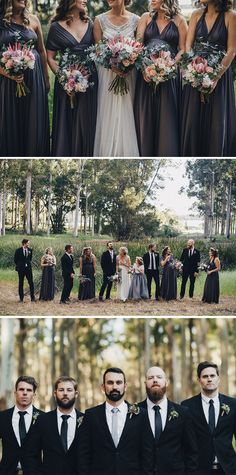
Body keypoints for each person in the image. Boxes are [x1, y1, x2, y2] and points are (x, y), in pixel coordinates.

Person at [181, 0, 236, 156]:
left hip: (219, 73)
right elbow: (188, 46)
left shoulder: (231, 16)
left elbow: (232, 51)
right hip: (195, 71)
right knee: (193, 120)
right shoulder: (196, 15)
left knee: (216, 123)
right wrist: (193, 69)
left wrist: (215, 77)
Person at [134, 0, 187, 156]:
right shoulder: (145, 17)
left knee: (167, 119)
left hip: (169, 76)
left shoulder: (180, 20)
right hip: (145, 75)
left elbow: (183, 49)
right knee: (146, 117)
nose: (152, 1)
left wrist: (169, 65)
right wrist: (145, 68)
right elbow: (138, 45)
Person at [77, 367, 153, 475]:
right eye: (110, 383)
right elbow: (84, 453)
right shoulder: (91, 415)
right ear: (103, 387)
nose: (114, 387)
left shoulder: (141, 415)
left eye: (118, 382)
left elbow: (147, 453)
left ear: (125, 386)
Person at [46, 0, 97, 156]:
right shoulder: (56, 27)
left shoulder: (91, 23)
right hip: (66, 83)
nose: (85, 1)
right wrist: (64, 78)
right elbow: (50, 57)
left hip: (90, 83)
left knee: (87, 123)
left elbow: (98, 50)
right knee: (66, 124)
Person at [0, 0, 49, 157]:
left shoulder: (34, 20)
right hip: (7, 82)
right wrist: (6, 72)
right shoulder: (1, 21)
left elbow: (41, 51)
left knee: (33, 122)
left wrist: (46, 80)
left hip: (34, 81)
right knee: (11, 123)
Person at [93, 0, 140, 157]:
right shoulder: (99, 20)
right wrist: (112, 66)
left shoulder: (137, 20)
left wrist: (128, 64)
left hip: (129, 74)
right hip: (107, 74)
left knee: (129, 111)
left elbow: (139, 50)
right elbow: (98, 51)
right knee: (107, 112)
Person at [138, 366, 198, 475]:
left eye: (159, 377)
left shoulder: (183, 413)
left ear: (166, 382)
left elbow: (191, 451)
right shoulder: (135, 413)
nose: (155, 380)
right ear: (145, 383)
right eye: (150, 377)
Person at [182, 361, 236, 474]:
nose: (209, 379)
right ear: (199, 380)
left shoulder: (232, 404)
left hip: (228, 469)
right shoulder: (187, 406)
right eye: (205, 376)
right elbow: (185, 442)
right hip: (199, 470)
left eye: (212, 375)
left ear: (218, 378)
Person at [28, 376, 84, 475]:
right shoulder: (42, 420)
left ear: (76, 394)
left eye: (69, 390)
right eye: (61, 390)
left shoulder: (86, 421)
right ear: (55, 394)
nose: (65, 393)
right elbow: (32, 454)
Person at [0, 376, 43, 475]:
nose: (25, 393)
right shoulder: (2, 417)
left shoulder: (43, 418)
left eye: (29, 390)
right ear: (15, 393)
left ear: (34, 394)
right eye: (21, 389)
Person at [14, 238, 35, 303]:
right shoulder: (18, 250)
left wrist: (27, 264)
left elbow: (30, 259)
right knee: (21, 283)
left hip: (28, 269)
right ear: (24, 243)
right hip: (21, 269)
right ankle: (21, 298)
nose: (29, 244)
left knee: (31, 283)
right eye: (28, 243)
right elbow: (15, 259)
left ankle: (32, 298)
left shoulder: (30, 250)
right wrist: (20, 265)